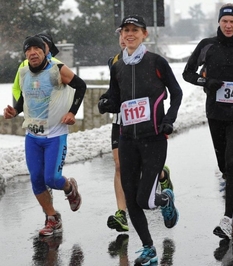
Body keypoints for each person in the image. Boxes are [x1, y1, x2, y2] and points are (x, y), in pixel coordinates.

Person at [97, 15, 182, 265]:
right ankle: (148, 248)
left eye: (135, 30)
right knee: (132, 198)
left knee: (145, 200)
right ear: (120, 35)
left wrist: (169, 119)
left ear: (144, 34)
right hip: (127, 140)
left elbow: (176, 93)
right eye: (125, 31)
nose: (129, 34)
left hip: (154, 138)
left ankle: (165, 198)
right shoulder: (117, 66)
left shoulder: (156, 62)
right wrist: (105, 103)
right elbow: (115, 96)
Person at [182, 3, 233, 240]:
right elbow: (187, 73)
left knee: (230, 160)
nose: (228, 25)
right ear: (219, 22)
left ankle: (226, 220)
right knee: (224, 167)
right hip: (215, 113)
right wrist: (205, 82)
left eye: (232, 22)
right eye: (224, 21)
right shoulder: (207, 46)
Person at [3, 36, 86, 236]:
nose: (33, 52)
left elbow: (81, 86)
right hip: (32, 137)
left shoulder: (57, 70)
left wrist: (72, 112)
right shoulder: (23, 73)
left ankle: (69, 187)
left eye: (36, 49)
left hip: (55, 135)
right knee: (37, 180)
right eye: (28, 50)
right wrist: (15, 111)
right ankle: (52, 218)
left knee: (52, 178)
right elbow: (24, 97)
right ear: (25, 54)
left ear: (44, 51)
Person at [12, 31, 60, 102]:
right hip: (31, 111)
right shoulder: (24, 64)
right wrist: (25, 104)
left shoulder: (57, 64)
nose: (34, 51)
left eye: (38, 47)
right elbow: (16, 88)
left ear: (49, 47)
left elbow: (63, 90)